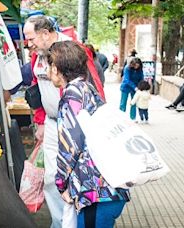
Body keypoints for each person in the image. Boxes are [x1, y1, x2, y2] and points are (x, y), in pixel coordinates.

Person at [47, 41, 130, 228]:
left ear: (56, 67)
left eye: (49, 65)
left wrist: (60, 183)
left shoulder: (71, 96)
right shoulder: (88, 88)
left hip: (94, 192)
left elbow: (70, 146)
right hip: (111, 187)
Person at [23, 15, 74, 228]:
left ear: (45, 34)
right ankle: (59, 222)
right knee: (51, 178)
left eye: (31, 38)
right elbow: (36, 88)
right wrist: (41, 121)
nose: (29, 44)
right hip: (52, 123)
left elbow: (93, 86)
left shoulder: (72, 51)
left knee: (72, 177)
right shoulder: (38, 55)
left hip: (72, 124)